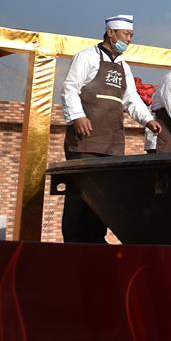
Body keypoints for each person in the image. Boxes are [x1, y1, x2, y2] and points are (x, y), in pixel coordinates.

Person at [61, 14, 162, 242]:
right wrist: (78, 116)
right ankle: (74, 243)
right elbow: (70, 89)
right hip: (86, 141)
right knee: (80, 195)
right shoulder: (86, 57)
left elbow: (131, 99)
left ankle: (96, 241)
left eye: (131, 35)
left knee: (103, 197)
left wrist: (147, 120)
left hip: (112, 143)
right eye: (126, 34)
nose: (129, 39)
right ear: (110, 33)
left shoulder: (124, 66)